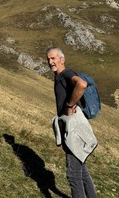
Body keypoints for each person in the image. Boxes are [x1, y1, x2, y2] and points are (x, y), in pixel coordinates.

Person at [46, 47, 97, 198]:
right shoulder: (59, 77)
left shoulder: (66, 74)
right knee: (82, 172)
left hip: (74, 130)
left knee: (73, 175)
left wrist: (70, 105)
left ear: (62, 59)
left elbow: (81, 84)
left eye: (53, 58)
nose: (50, 62)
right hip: (72, 128)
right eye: (48, 59)